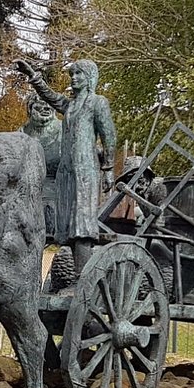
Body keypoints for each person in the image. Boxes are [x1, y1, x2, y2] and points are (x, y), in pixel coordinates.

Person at [16, 57, 117, 279]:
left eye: (78, 74)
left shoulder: (97, 103)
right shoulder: (70, 105)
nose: (74, 78)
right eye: (72, 74)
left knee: (82, 224)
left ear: (90, 77)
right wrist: (33, 76)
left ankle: (84, 279)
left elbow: (108, 136)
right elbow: (49, 96)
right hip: (66, 172)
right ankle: (76, 277)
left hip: (85, 171)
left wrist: (108, 168)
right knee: (68, 225)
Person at [19, 93, 62, 239]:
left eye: (48, 103)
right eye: (39, 104)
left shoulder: (65, 130)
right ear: (30, 109)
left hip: (58, 186)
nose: (45, 107)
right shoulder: (22, 133)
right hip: (29, 188)